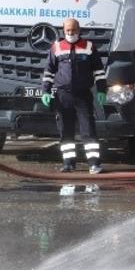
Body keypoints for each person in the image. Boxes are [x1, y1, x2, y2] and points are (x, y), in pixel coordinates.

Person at [41, 16, 106, 174]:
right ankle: (68, 164)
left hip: (83, 95)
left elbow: (99, 71)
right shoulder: (57, 47)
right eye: (68, 30)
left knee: (88, 130)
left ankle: (94, 164)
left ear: (79, 30)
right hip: (63, 96)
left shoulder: (89, 47)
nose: (70, 33)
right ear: (63, 31)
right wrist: (45, 91)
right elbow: (49, 71)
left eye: (73, 30)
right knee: (65, 130)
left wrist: (102, 90)